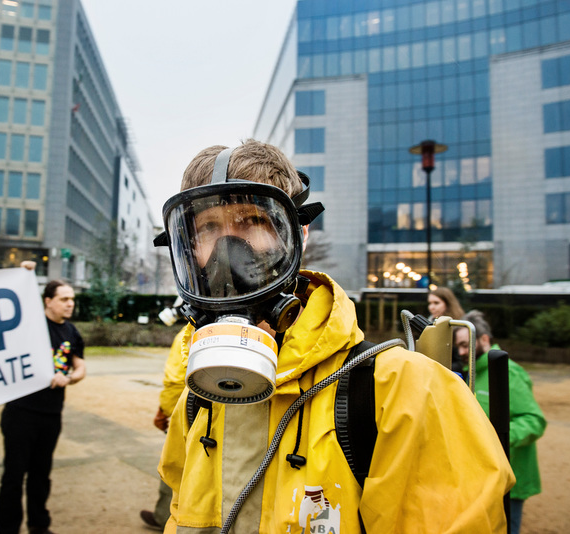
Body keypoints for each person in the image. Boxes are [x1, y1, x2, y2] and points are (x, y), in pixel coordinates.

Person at [156, 139, 515, 533]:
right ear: (190, 248)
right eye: (208, 227)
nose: (227, 248)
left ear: (298, 235)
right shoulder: (201, 397)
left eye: (252, 222)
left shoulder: (400, 390)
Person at [0, 278, 86, 534]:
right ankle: (6, 529)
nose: (70, 304)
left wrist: (68, 378)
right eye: (64, 299)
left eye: (72, 300)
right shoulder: (30, 327)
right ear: (47, 301)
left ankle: (38, 525)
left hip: (51, 414)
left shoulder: (71, 332)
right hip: (20, 413)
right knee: (14, 475)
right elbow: (16, 305)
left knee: (41, 474)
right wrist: (24, 274)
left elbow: (79, 366)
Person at [454, 310, 547, 534]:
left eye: (466, 345)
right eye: (459, 347)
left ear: (484, 339)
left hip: (511, 477)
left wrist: (494, 439)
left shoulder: (508, 372)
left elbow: (534, 420)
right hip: (484, 476)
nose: (462, 352)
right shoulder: (471, 372)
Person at [140, 320, 191, 531]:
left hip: (187, 415)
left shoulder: (187, 335)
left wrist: (164, 411)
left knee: (175, 465)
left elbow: (175, 381)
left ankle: (164, 516)